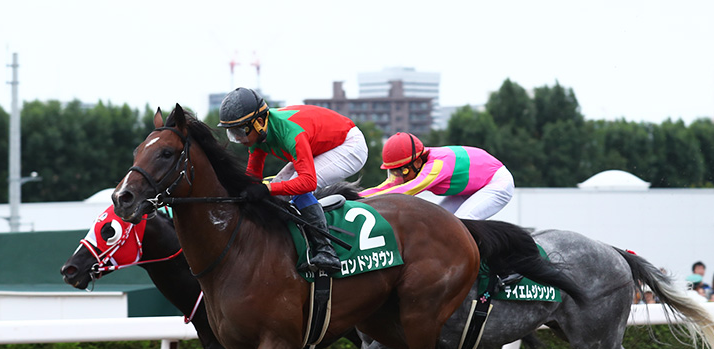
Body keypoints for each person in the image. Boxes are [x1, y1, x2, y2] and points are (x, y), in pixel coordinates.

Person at [217, 87, 368, 274]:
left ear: (258, 122)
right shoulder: (257, 134)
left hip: (349, 145)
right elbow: (253, 177)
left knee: (295, 189)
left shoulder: (290, 133)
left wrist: (267, 189)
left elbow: (308, 183)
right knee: (277, 191)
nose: (239, 138)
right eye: (232, 132)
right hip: (321, 145)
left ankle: (326, 250)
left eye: (240, 130)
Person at [361, 132, 514, 220]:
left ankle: (496, 266)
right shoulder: (415, 161)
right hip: (468, 189)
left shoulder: (437, 166)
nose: (398, 177)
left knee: (462, 222)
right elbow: (385, 187)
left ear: (418, 161)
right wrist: (352, 196)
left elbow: (407, 190)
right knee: (438, 222)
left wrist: (363, 201)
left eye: (402, 171)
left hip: (497, 183)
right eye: (394, 172)